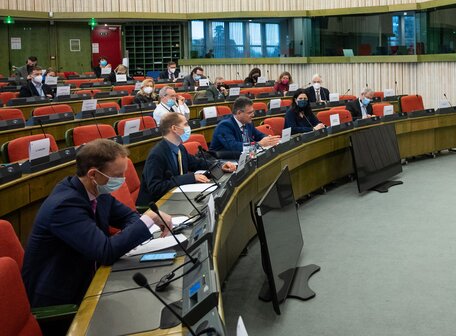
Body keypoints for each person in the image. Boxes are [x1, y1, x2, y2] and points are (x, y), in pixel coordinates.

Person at [22, 139, 173, 307]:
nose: (123, 180)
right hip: (61, 298)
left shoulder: (97, 192)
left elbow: (129, 216)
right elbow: (105, 252)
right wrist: (150, 218)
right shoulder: (64, 206)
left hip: (90, 277)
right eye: (117, 175)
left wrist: (127, 236)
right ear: (93, 174)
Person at [137, 113, 212, 206]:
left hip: (177, 197)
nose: (188, 127)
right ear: (174, 128)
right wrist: (191, 177)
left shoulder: (180, 148)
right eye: (185, 124)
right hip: (158, 204)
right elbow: (156, 188)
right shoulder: (156, 155)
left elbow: (196, 163)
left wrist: (218, 165)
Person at [210, 97, 280, 158]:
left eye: (253, 112)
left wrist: (269, 139)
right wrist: (259, 144)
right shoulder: (225, 125)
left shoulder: (247, 122)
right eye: (250, 113)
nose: (253, 115)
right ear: (239, 113)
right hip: (224, 160)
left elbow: (259, 135)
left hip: (243, 157)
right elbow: (233, 146)